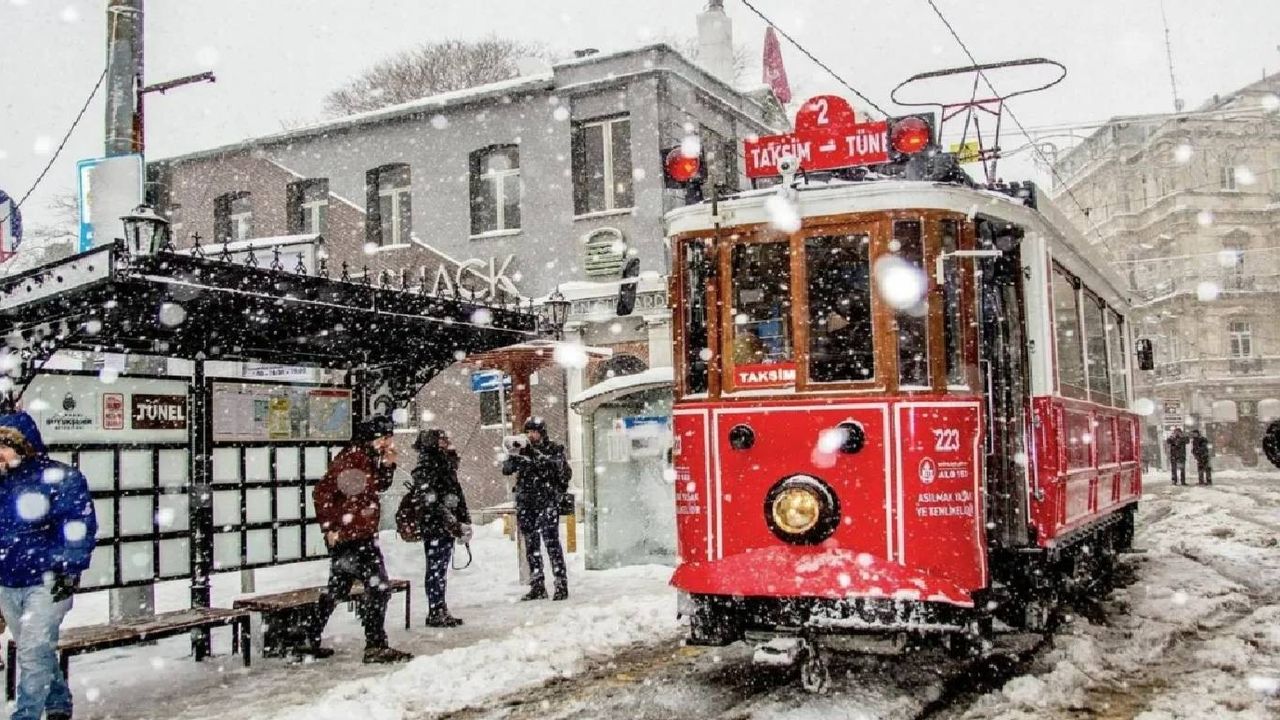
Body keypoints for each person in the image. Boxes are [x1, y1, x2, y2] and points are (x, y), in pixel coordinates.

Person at [0, 411, 97, 720]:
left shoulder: (61, 478)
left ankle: (25, 715)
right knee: (38, 651)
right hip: (7, 580)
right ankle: (57, 702)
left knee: (31, 652)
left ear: (24, 445)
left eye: (5, 444)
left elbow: (78, 526)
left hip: (48, 580)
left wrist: (69, 570)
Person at [306, 415, 412, 664]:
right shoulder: (354, 458)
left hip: (354, 534)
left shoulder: (363, 457)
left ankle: (308, 637)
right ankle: (375, 644)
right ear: (373, 438)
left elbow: (376, 487)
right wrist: (331, 527)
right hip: (354, 536)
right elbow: (324, 492)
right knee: (379, 587)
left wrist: (388, 464)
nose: (388, 442)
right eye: (385, 438)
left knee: (338, 589)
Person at [502, 417, 571, 601]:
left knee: (552, 543)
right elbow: (507, 469)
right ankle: (537, 584)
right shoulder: (521, 451)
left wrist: (533, 455)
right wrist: (515, 453)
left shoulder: (553, 449)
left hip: (547, 501)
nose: (531, 435)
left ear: (542, 432)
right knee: (531, 545)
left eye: (534, 431)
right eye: (529, 432)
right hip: (527, 503)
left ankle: (560, 583)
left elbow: (561, 471)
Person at [408, 429, 472, 627]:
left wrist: (460, 518)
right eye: (443, 439)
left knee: (439, 567)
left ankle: (439, 607)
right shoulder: (428, 464)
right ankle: (436, 608)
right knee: (436, 567)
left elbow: (453, 491)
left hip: (442, 522)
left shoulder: (441, 462)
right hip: (436, 523)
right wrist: (450, 518)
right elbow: (431, 497)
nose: (447, 441)